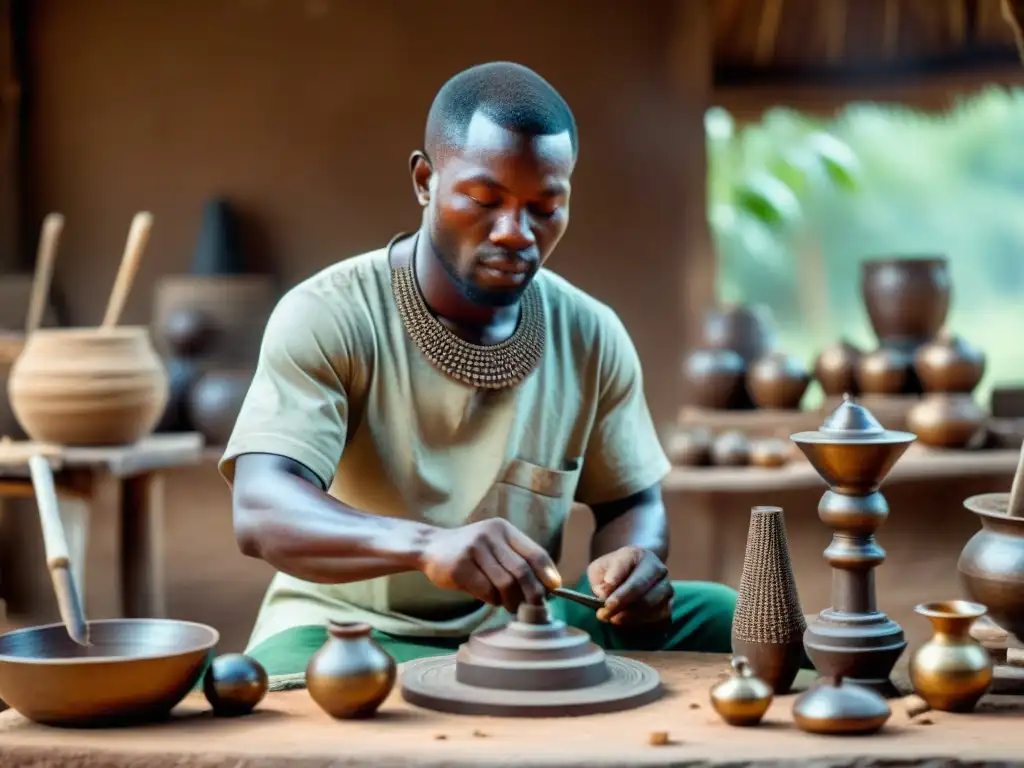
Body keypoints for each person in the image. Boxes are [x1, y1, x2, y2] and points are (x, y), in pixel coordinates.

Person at [220, 61, 736, 677]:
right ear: (424, 180)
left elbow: (633, 501)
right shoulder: (328, 315)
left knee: (726, 615)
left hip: (523, 626)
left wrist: (632, 562)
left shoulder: (591, 331)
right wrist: (426, 546)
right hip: (348, 632)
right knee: (339, 688)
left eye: (545, 206)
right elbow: (260, 508)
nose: (517, 233)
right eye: (485, 199)